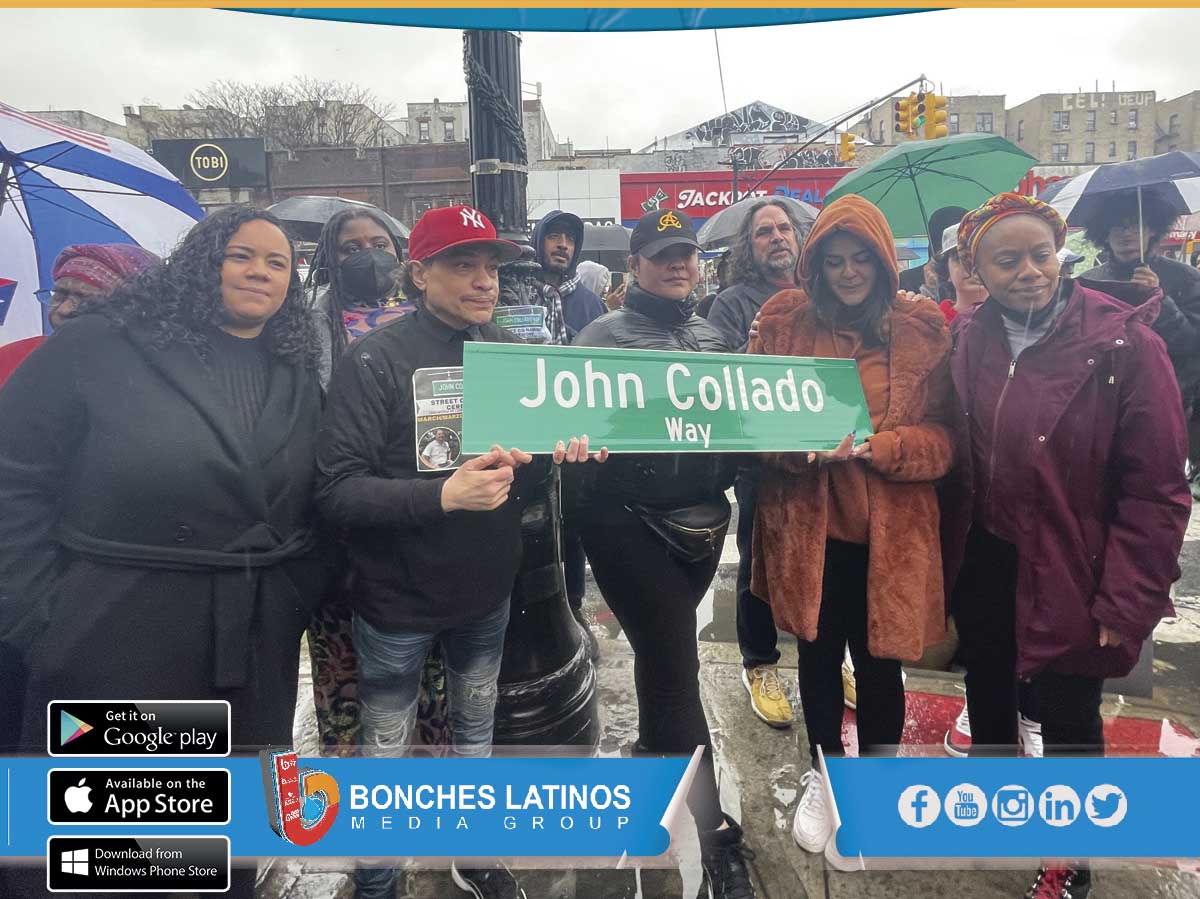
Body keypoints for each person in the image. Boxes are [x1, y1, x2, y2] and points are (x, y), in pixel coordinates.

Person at [0, 207, 333, 899]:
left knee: (211, 845)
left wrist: (297, 588)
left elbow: (318, 485)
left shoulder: (293, 365)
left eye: (278, 263)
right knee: (111, 851)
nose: (260, 272)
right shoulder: (101, 344)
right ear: (202, 260)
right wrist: (39, 615)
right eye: (242, 254)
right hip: (115, 636)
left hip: (245, 645)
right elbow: (15, 477)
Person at [316, 204, 600, 899]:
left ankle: (472, 851)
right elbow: (337, 492)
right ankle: (376, 877)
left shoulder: (506, 351)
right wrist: (442, 496)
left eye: (493, 267)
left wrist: (560, 456)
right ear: (419, 272)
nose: (484, 281)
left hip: (485, 591)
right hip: (395, 598)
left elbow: (522, 474)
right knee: (385, 742)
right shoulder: (373, 360)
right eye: (463, 264)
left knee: (477, 729)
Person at [943, 193, 1190, 898]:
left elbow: (1159, 488)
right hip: (988, 555)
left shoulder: (1126, 344)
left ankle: (1068, 852)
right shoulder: (970, 338)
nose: (1029, 271)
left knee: (1070, 716)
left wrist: (1129, 594)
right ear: (976, 270)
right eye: (1008, 259)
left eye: (1040, 254)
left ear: (1061, 252)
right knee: (987, 689)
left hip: (1075, 565)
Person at [748, 195, 954, 865]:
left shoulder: (924, 328)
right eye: (832, 260)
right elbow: (751, 422)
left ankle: (878, 785)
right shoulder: (782, 322)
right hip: (811, 532)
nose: (846, 272)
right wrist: (797, 447)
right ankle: (825, 771)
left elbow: (946, 442)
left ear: (882, 261)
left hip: (890, 538)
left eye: (859, 258)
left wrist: (881, 446)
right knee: (815, 654)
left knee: (880, 664)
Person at [569, 209, 756, 899]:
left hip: (704, 527)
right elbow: (567, 429)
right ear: (634, 265)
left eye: (687, 254)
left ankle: (654, 751)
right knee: (678, 662)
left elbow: (739, 425)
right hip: (626, 525)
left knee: (662, 655)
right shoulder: (601, 336)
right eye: (662, 255)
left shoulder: (714, 334)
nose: (678, 265)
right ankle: (712, 833)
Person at [707, 199, 809, 730]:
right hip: (761, 461)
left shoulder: (824, 290)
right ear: (750, 246)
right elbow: (722, 383)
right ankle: (760, 664)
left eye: (784, 228)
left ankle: (828, 654)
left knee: (825, 559)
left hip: (822, 458)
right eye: (764, 231)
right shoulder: (731, 303)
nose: (777, 237)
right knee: (758, 564)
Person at [0, 243, 158, 388]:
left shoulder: (145, 385)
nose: (63, 309)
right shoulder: (13, 357)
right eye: (59, 295)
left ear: (129, 310)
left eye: (86, 300)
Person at [307, 205, 411, 388]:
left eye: (380, 245)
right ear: (332, 257)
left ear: (395, 249)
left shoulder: (427, 301)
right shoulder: (316, 312)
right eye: (353, 249)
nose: (370, 255)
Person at [498, 209, 606, 343]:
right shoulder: (516, 294)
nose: (563, 245)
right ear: (538, 242)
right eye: (553, 236)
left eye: (570, 240)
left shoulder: (592, 305)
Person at [931, 222, 990, 324]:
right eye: (959, 258)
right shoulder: (932, 322)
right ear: (946, 270)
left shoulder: (1017, 319)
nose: (970, 266)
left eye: (979, 255)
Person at [696, 249, 731, 318]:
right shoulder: (708, 303)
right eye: (726, 272)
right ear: (719, 276)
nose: (728, 277)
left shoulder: (744, 302)